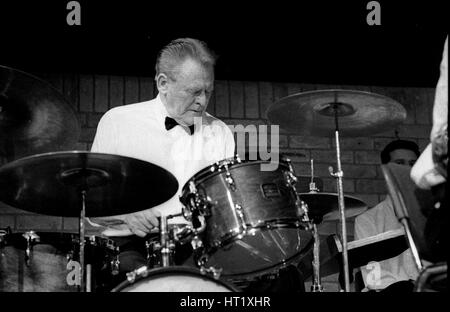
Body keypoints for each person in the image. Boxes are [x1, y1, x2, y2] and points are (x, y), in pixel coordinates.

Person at [88, 38, 236, 282]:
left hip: (196, 249)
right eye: (194, 91)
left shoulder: (219, 131)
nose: (202, 101)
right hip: (129, 248)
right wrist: (128, 216)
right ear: (163, 83)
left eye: (208, 92)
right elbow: (90, 206)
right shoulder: (118, 122)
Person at [354, 139, 421, 292]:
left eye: (412, 164)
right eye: (399, 163)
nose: (407, 169)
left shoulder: (431, 216)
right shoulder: (367, 220)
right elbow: (374, 279)